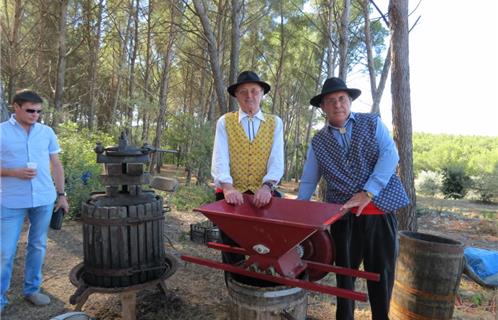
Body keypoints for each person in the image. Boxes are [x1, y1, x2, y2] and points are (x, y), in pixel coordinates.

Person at [297, 77, 409, 320]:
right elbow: (308, 179)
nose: (338, 104)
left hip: (379, 214)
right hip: (344, 219)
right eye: (331, 101)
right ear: (323, 108)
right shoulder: (318, 142)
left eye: (342, 99)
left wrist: (368, 192)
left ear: (349, 101)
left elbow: (391, 155)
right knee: (344, 279)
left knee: (381, 275)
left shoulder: (372, 123)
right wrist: (297, 214)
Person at [211, 71, 284, 283]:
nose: (249, 96)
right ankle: (236, 292)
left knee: (265, 246)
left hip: (263, 194)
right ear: (236, 96)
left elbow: (277, 159)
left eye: (254, 91)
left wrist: (267, 186)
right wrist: (227, 187)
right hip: (232, 194)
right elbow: (220, 157)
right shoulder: (225, 122)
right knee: (232, 249)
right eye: (243, 92)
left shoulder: (274, 123)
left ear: (262, 94)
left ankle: (263, 288)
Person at [0, 89, 69, 312]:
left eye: (39, 111)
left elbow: (56, 164)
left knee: (37, 245)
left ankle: (32, 290)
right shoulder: (1, 132)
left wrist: (61, 195)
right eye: (30, 110)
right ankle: (0, 298)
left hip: (44, 198)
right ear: (16, 107)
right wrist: (13, 172)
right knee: (5, 252)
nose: (35, 115)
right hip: (11, 200)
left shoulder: (46, 132)